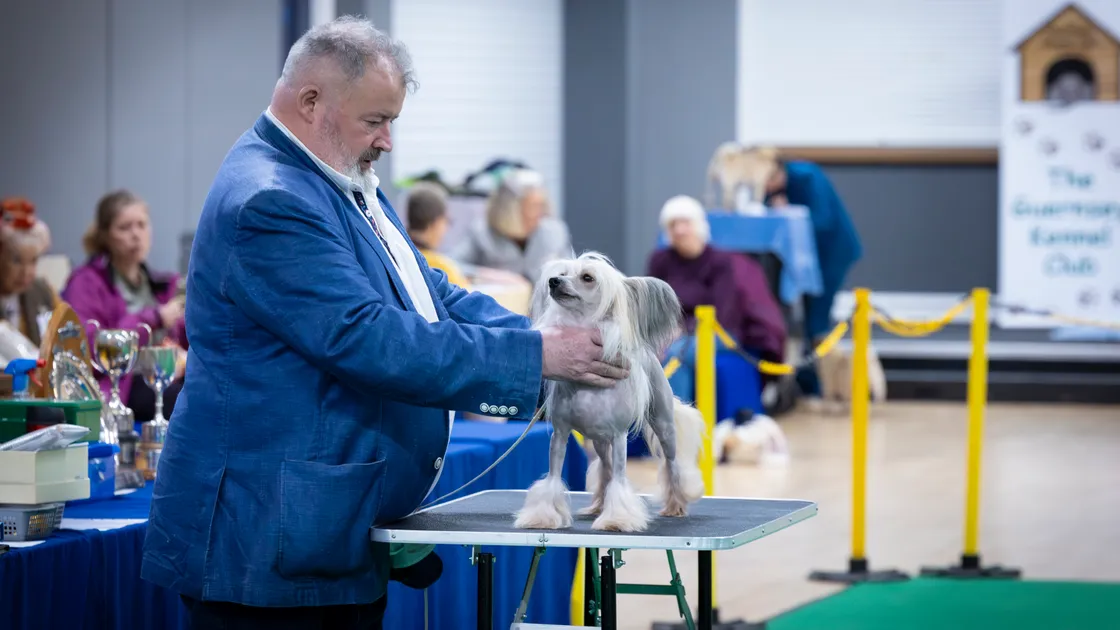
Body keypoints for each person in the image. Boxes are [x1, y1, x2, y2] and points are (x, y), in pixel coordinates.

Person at [140, 16, 627, 630]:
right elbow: (367, 335)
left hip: (319, 531)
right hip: (262, 546)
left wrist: (549, 338)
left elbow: (431, 295)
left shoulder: (341, 178)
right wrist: (538, 360)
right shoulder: (270, 200)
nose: (388, 141)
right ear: (311, 101)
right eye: (376, 120)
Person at [648, 195, 786, 412]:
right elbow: (653, 305)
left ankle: (674, 422)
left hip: (718, 333)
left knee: (675, 354)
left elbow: (723, 312)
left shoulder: (720, 262)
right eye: (673, 224)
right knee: (668, 359)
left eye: (685, 223)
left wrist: (681, 331)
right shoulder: (660, 260)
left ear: (698, 226)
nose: (680, 230)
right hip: (674, 334)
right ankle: (669, 427)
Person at [60, 190, 187, 420]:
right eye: (124, 227)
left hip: (166, 375)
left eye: (141, 225)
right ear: (106, 235)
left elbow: (186, 337)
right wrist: (154, 318)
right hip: (122, 385)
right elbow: (89, 346)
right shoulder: (85, 283)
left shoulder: (162, 284)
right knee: (187, 402)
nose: (136, 234)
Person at [756, 148, 862, 396]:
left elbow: (822, 219)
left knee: (817, 321)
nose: (767, 188)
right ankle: (807, 382)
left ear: (780, 170)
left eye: (770, 181)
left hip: (831, 254)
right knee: (804, 321)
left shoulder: (808, 176)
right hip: (802, 259)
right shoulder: (773, 188)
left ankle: (820, 386)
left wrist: (788, 209)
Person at [450, 167, 572, 284]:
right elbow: (450, 265)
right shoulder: (481, 232)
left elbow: (571, 273)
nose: (541, 212)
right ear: (510, 209)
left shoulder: (554, 232)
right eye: (533, 206)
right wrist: (489, 275)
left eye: (542, 205)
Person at [0, 197, 59, 346]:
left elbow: (67, 337)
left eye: (33, 261)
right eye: (17, 261)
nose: (27, 272)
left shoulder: (42, 292)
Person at [405, 181, 470, 288]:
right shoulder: (443, 270)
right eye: (446, 221)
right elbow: (468, 301)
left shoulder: (395, 258)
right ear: (436, 223)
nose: (446, 229)